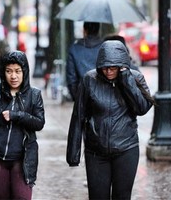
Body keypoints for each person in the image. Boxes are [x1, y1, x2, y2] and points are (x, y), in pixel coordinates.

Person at [66, 40, 155, 199]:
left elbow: (142, 108)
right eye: (105, 67)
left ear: (121, 64)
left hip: (126, 149)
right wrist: (73, 153)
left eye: (113, 67)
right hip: (96, 152)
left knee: (122, 196)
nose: (108, 71)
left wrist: (126, 79)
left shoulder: (135, 78)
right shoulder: (89, 79)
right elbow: (78, 116)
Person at [0, 50, 45, 200]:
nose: (13, 76)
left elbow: (39, 123)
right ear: (3, 72)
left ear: (24, 72)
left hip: (22, 160)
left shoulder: (34, 95)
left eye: (18, 71)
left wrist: (17, 115)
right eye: (9, 71)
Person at [66, 22, 103, 101]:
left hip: (82, 95)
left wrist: (77, 99)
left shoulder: (74, 49)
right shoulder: (104, 47)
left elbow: (71, 78)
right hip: (103, 95)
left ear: (84, 30)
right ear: (98, 30)